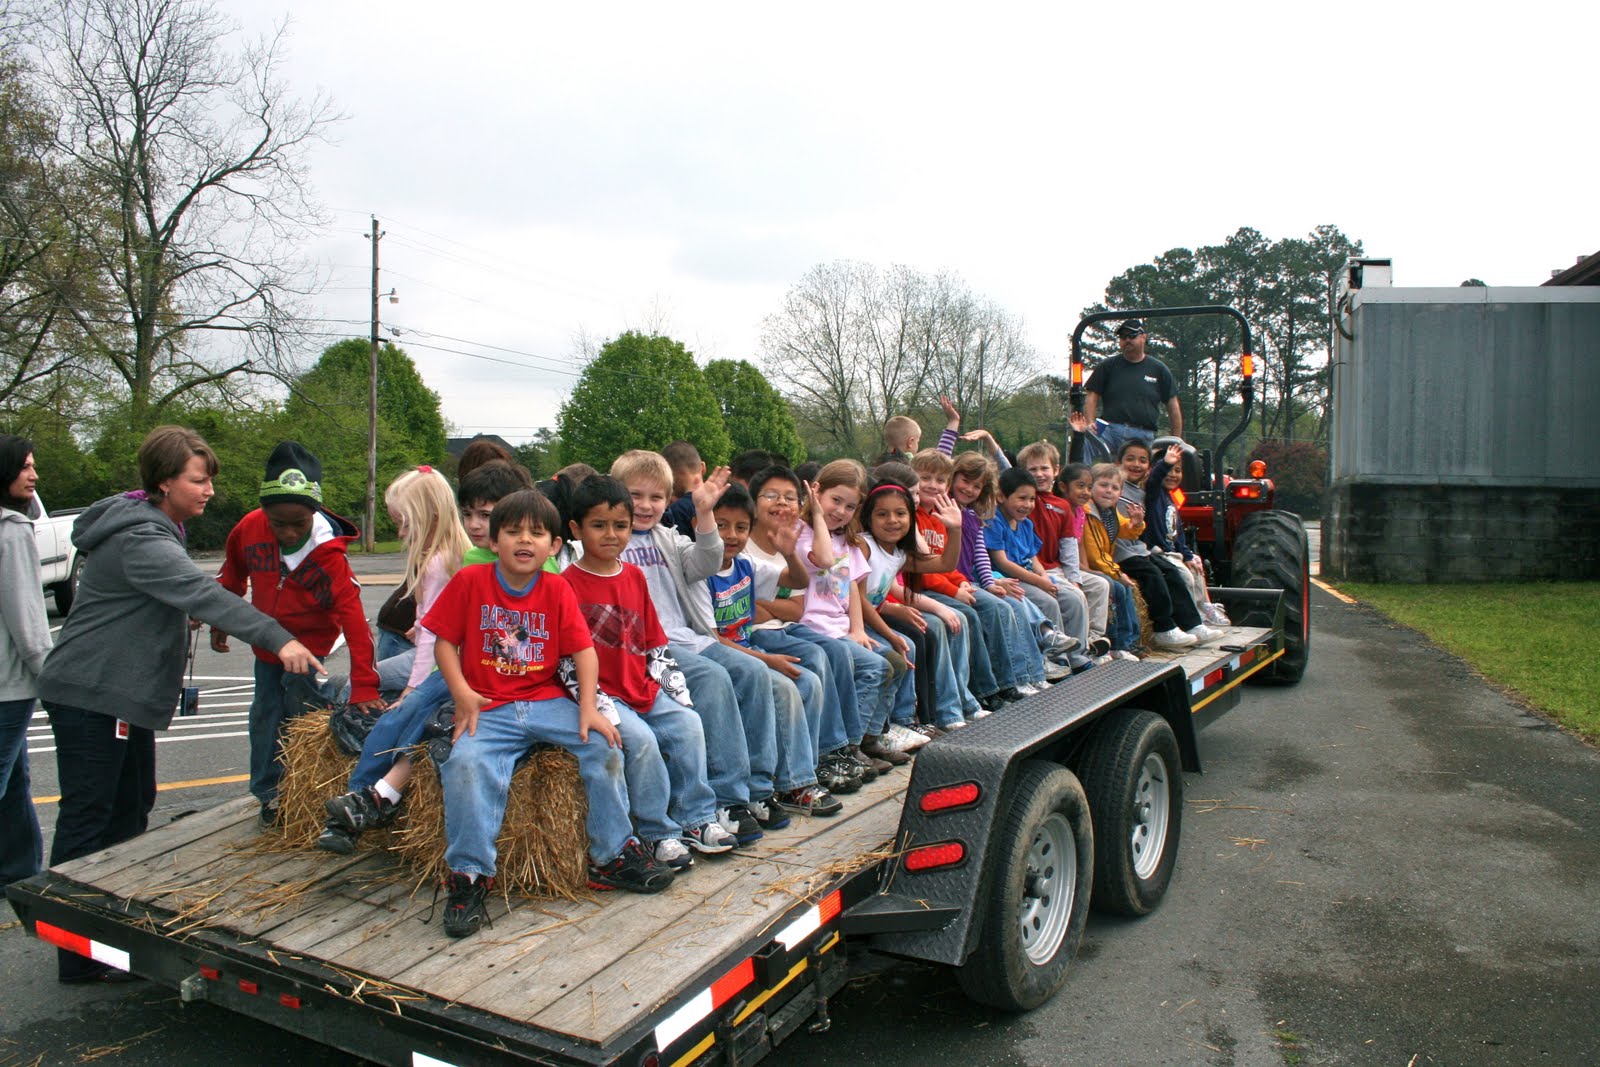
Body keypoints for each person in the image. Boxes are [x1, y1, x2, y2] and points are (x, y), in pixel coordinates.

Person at [39, 426, 323, 981]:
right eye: (199, 480)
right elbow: (201, 592)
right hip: (93, 694)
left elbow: (167, 597)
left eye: (209, 479)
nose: (209, 490)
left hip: (114, 695)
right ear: (165, 482)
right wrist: (278, 638)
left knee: (130, 806)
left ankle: (107, 933)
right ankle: (77, 955)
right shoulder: (141, 538)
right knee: (90, 818)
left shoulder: (154, 526)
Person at [424, 489, 673, 938]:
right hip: (489, 704)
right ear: (493, 540)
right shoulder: (471, 582)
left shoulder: (557, 587)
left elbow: (583, 652)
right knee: (464, 764)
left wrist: (588, 709)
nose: (525, 540)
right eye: (513, 531)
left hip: (545, 700)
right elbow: (444, 642)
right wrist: (461, 694)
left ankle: (613, 854)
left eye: (537, 533)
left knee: (604, 744)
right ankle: (469, 875)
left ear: (554, 545)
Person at [560, 475, 740, 862]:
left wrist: (674, 693)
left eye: (620, 525)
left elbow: (654, 643)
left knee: (688, 724)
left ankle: (697, 817)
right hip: (601, 693)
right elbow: (565, 661)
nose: (611, 535)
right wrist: (591, 702)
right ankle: (657, 831)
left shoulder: (634, 577)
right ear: (575, 529)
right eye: (598, 525)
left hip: (639, 683)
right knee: (640, 741)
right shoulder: (565, 586)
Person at [611, 450, 778, 845]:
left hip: (689, 637)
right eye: (635, 495)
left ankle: (756, 788)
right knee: (714, 678)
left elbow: (707, 560)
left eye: (656, 498)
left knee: (753, 671)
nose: (646, 506)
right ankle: (725, 796)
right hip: (649, 647)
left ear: (669, 500)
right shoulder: (608, 539)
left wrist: (705, 514)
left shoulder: (667, 538)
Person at [212, 441, 383, 825]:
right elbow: (232, 576)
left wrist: (365, 683)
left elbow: (356, 623)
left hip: (310, 652)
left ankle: (305, 793)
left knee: (301, 718)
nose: (288, 532)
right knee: (264, 717)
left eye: (298, 523)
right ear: (264, 512)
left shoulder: (329, 556)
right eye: (278, 523)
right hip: (266, 646)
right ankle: (269, 794)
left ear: (315, 511)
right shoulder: (249, 528)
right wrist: (220, 621)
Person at [317, 466, 471, 854]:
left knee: (397, 718)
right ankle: (365, 797)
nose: (400, 534)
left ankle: (360, 802)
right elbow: (433, 624)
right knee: (386, 707)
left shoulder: (438, 563)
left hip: (444, 666)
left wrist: (412, 688)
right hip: (444, 659)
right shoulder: (450, 555)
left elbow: (436, 639)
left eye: (403, 524)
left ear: (428, 517)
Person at [701, 483, 841, 817]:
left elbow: (800, 581)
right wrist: (768, 660)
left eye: (740, 527)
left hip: (749, 649)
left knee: (808, 681)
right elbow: (713, 638)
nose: (731, 535)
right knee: (783, 687)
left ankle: (795, 773)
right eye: (721, 525)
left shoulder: (746, 566)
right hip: (728, 656)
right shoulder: (701, 573)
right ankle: (782, 786)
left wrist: (790, 553)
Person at [742, 466, 867, 795]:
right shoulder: (742, 545)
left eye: (788, 497)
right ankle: (821, 758)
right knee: (814, 660)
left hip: (787, 626)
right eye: (771, 495)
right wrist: (764, 608)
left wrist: (765, 606)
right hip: (758, 635)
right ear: (753, 502)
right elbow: (745, 614)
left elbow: (794, 607)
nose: (781, 503)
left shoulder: (787, 545)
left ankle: (836, 750)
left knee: (832, 653)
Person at [786, 459, 896, 774]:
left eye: (850, 506)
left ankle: (868, 738)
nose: (841, 511)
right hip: (811, 627)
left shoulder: (846, 542)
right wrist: (817, 516)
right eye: (836, 500)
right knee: (875, 668)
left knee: (897, 661)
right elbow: (820, 559)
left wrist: (858, 629)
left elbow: (852, 593)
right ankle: (848, 745)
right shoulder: (801, 532)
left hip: (841, 628)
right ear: (816, 490)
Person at [985, 467, 1096, 675]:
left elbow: (1033, 556)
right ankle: (1054, 659)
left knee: (1075, 597)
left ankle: (1078, 654)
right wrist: (1039, 583)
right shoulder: (995, 521)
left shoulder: (1025, 524)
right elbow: (1002, 562)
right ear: (1001, 496)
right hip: (1011, 578)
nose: (1027, 505)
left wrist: (1045, 578)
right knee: (1047, 602)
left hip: (1033, 575)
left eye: (1032, 499)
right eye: (1022, 498)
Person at [0, 437, 49, 898]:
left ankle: (19, 871)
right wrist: (46, 671)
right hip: (8, 685)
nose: (33, 476)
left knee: (16, 780)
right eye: (25, 468)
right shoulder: (12, 530)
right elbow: (27, 615)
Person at [1113, 441, 1218, 646]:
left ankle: (1192, 624)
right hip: (1122, 551)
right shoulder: (1116, 486)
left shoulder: (1142, 493)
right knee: (1154, 575)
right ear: (1118, 462)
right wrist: (1166, 463)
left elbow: (1174, 531)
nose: (1136, 464)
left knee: (1171, 572)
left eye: (1142, 460)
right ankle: (1164, 627)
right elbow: (1153, 483)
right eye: (1130, 459)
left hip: (1138, 548)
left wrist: (1186, 553)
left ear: (1147, 466)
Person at [1082, 319, 1182, 462]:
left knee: (1153, 465)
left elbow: (1173, 407)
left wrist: (1175, 441)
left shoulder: (1159, 370)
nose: (1127, 340)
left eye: (1132, 336)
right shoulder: (1108, 366)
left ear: (1143, 337)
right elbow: (1092, 395)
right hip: (1109, 429)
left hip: (1142, 434)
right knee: (1084, 443)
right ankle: (1080, 481)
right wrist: (1090, 422)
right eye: (1123, 337)